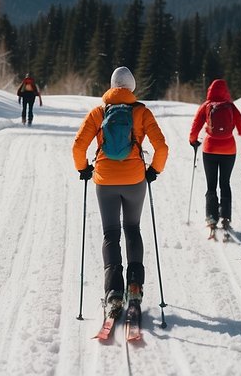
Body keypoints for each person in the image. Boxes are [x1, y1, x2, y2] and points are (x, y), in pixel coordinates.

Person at [72, 66, 169, 326]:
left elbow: (78, 145)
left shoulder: (99, 112)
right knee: (133, 229)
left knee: (110, 234)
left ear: (112, 86)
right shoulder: (141, 112)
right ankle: (135, 286)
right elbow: (162, 147)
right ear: (132, 87)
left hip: (105, 180)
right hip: (135, 179)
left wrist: (83, 168)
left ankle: (114, 292)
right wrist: (154, 171)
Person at [188, 78, 241, 233]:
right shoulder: (231, 107)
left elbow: (195, 126)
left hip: (210, 149)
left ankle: (211, 217)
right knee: (225, 183)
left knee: (211, 185)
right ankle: (226, 217)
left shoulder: (206, 106)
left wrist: (193, 141)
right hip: (229, 150)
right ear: (226, 91)